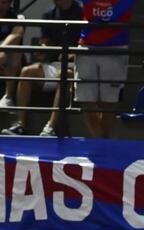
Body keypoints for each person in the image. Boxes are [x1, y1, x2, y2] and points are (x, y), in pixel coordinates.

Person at [2, 0, 83, 137]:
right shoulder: (48, 13)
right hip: (55, 62)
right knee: (27, 72)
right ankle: (20, 124)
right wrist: (43, 48)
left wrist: (75, 53)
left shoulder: (83, 11)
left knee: (63, 75)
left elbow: (88, 39)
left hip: (78, 64)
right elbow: (46, 40)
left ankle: (51, 127)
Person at [76, 0, 136, 138]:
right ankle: (99, 143)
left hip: (116, 46)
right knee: (86, 100)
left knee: (109, 102)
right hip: (88, 45)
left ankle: (103, 143)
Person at [0, 0, 26, 109]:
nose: (1, 5)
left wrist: (1, 50)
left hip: (8, 56)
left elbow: (17, 35)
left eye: (4, 2)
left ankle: (8, 97)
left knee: (15, 51)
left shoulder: (17, 17)